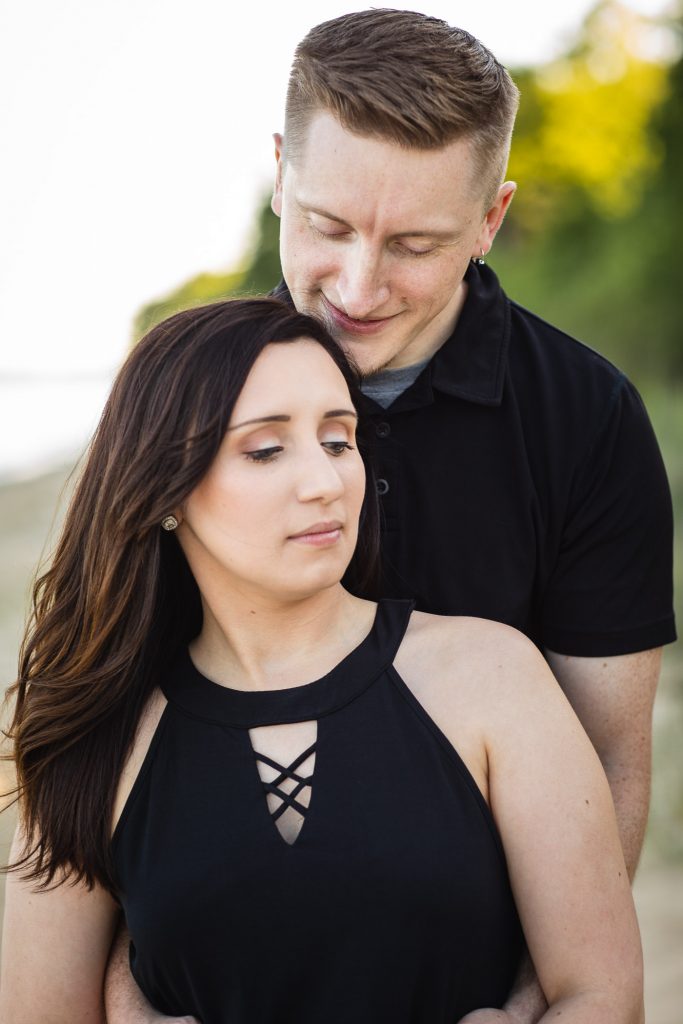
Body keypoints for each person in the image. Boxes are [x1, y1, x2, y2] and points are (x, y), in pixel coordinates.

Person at [1, 297, 643, 1024]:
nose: (325, 482)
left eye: (338, 440)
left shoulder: (490, 677)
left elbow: (602, 996)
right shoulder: (94, 741)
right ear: (163, 491)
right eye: (266, 450)